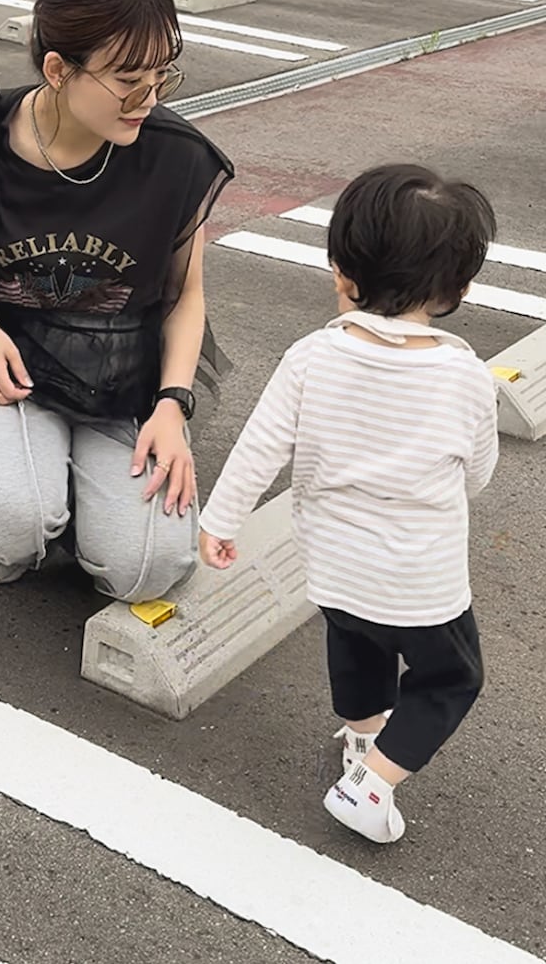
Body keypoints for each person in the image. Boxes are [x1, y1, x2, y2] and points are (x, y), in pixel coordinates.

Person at [0, 0, 233, 602]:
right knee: (6, 537)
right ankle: (23, 493)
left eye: (163, 75)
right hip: (11, 370)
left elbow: (184, 295)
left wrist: (173, 404)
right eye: (128, 80)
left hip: (122, 377)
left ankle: (73, 486)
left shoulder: (176, 157)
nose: (149, 98)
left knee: (148, 572)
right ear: (58, 68)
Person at [198, 164, 499, 843]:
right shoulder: (463, 374)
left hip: (334, 566)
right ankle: (372, 784)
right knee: (450, 677)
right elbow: (476, 471)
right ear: (459, 288)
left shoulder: (311, 356)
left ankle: (363, 741)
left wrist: (220, 521)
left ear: (341, 272)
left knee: (356, 642)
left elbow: (259, 447)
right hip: (421, 581)